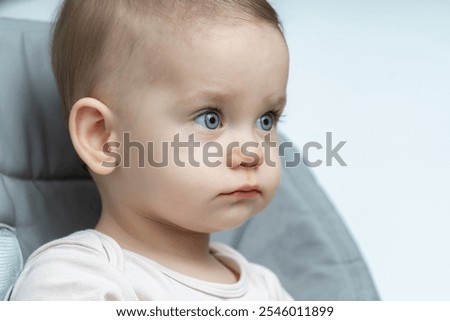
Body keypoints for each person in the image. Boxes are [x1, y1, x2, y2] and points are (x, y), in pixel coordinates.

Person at [11, 0, 292, 300]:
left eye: (266, 120)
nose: (252, 153)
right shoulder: (76, 280)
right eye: (210, 118)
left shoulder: (266, 289)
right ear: (103, 139)